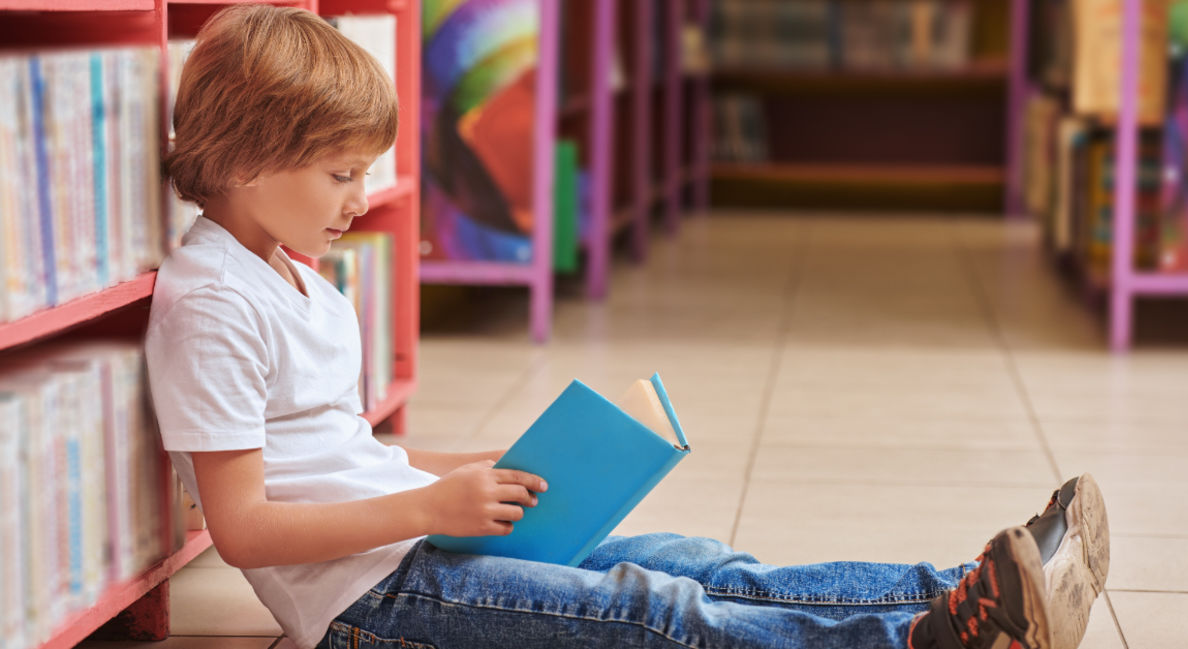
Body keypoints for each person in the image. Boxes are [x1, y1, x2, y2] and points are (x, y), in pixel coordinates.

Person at [145, 5, 1110, 649]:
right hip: (371, 602)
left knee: (694, 560)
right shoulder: (213, 302)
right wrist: (429, 510)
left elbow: (338, 450)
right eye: (340, 173)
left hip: (413, 542)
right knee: (650, 611)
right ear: (245, 157)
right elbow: (244, 527)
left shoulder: (291, 274)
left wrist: (473, 465)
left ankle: (964, 589)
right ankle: (925, 638)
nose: (363, 197)